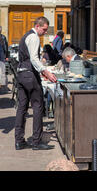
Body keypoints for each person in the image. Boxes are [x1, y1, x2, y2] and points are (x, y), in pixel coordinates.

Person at [14, 16, 57, 151]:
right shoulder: (33, 37)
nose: (45, 32)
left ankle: (19, 141)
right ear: (38, 26)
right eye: (44, 29)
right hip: (29, 76)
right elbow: (33, 58)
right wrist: (46, 72)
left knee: (22, 108)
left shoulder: (26, 36)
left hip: (21, 75)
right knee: (38, 107)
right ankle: (36, 141)